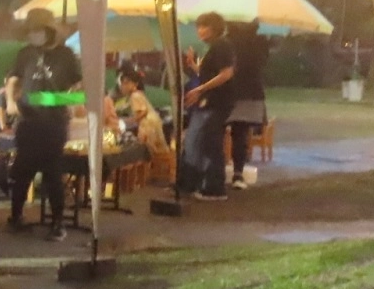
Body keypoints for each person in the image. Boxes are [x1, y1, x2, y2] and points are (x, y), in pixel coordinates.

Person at [4, 8, 83, 241]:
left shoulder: (66, 55)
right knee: (21, 172)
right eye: (30, 31)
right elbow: (14, 78)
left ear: (48, 31)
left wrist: (56, 100)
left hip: (53, 124)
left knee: (53, 174)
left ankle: (58, 223)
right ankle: (16, 216)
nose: (33, 35)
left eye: (37, 30)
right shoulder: (25, 53)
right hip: (27, 122)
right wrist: (10, 100)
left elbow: (79, 90)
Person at [179, 11, 237, 201]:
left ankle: (215, 187)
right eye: (199, 27)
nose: (200, 31)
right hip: (209, 102)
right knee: (197, 141)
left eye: (205, 26)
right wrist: (194, 67)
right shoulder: (215, 47)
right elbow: (210, 74)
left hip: (217, 103)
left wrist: (199, 89)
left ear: (214, 28)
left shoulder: (222, 45)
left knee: (210, 143)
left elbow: (226, 73)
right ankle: (191, 183)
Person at [226, 20, 268, 189]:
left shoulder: (228, 42)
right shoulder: (259, 42)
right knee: (240, 135)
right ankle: (238, 173)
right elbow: (263, 62)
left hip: (228, 92)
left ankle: (213, 171)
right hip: (251, 92)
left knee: (216, 133)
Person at [113, 64, 168, 159]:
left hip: (147, 125)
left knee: (147, 151)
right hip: (153, 122)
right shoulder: (138, 94)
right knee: (156, 151)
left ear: (135, 84)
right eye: (122, 83)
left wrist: (130, 120)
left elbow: (143, 112)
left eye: (127, 83)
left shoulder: (134, 96)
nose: (123, 86)